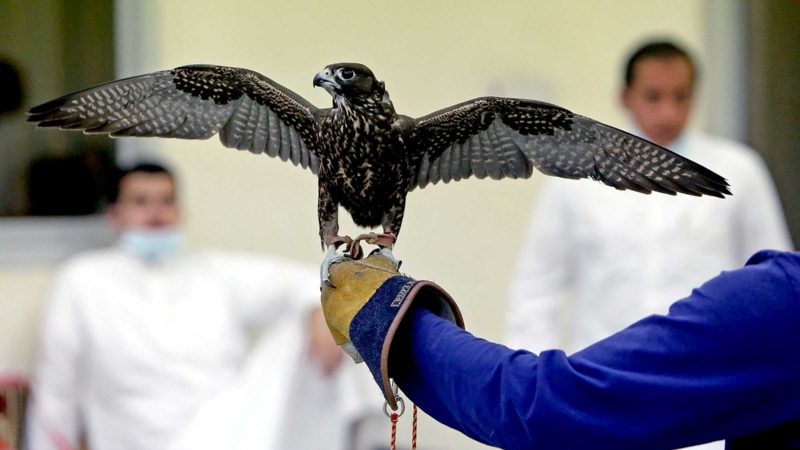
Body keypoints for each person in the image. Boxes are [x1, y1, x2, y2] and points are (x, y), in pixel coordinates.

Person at [25, 163, 377, 450]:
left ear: (180, 211)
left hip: (230, 434)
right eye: (141, 201)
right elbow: (57, 386)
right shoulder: (82, 280)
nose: (156, 213)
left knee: (333, 314)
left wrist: (322, 313)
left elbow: (309, 280)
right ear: (115, 214)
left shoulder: (211, 273)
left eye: (166, 201)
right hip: (137, 439)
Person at [321, 250, 800, 449]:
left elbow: (541, 404)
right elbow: (537, 289)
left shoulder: (783, 299)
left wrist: (388, 317)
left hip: (602, 399)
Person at [507, 40, 793, 356]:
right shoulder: (574, 175)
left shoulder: (739, 170)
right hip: (601, 368)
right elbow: (537, 287)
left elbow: (773, 280)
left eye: (681, 97)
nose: (668, 112)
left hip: (709, 370)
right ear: (625, 97)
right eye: (653, 97)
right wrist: (532, 378)